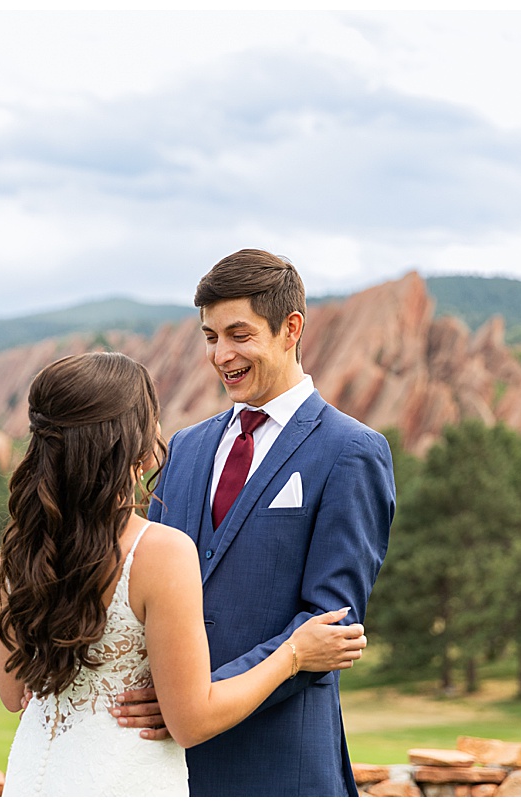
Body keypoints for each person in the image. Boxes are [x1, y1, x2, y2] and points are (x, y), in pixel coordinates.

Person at [0, 351, 368, 797]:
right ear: (137, 446)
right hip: (122, 782)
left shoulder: (23, 546)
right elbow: (192, 721)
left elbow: (14, 696)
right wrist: (294, 655)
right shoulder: (160, 552)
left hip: (34, 780)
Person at [119, 249, 396, 796]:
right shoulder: (187, 447)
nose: (221, 355)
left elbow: (331, 625)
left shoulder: (351, 451)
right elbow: (136, 578)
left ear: (290, 328)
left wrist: (196, 696)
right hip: (164, 769)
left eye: (238, 335)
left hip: (278, 767)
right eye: (209, 337)